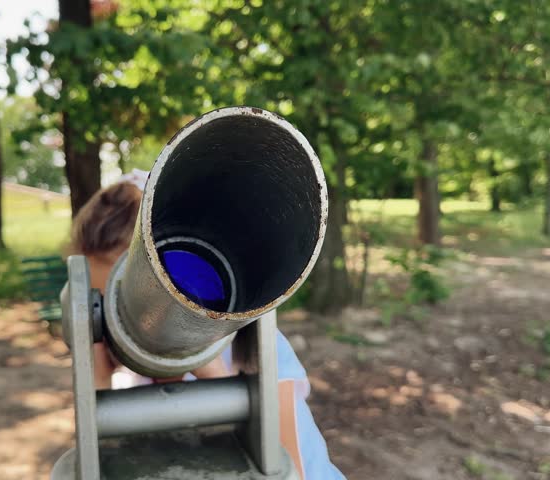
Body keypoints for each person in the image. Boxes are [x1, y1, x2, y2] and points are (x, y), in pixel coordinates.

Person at [68, 172, 345, 480]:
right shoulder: (133, 387)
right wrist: (97, 385)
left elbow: (283, 471)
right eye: (103, 311)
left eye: (124, 307)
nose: (114, 330)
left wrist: (212, 373)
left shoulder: (256, 352)